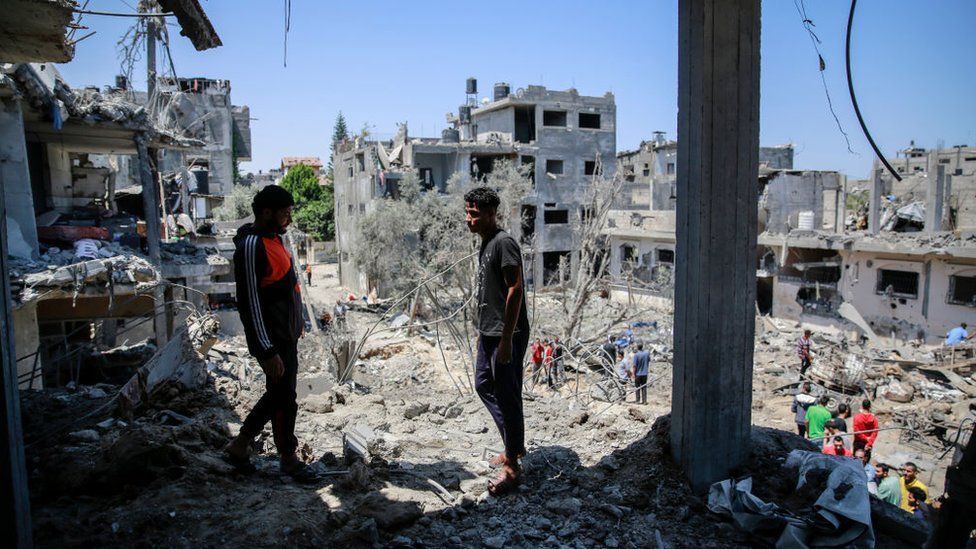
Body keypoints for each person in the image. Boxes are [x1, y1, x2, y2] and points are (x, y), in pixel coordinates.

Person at [224, 186, 313, 482]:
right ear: (266, 213)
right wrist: (266, 349)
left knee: (281, 396)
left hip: (284, 337)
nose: (288, 220)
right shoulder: (251, 246)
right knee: (283, 397)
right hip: (271, 341)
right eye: (284, 214)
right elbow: (249, 303)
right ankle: (285, 457)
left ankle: (241, 446)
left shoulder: (273, 239)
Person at [466, 187, 530, 496]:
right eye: (467, 212)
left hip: (507, 334)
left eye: (475, 214)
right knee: (482, 384)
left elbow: (515, 289)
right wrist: (485, 329)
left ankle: (513, 467)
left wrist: (506, 339)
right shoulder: (486, 243)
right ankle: (513, 445)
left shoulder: (504, 243)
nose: (469, 219)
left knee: (508, 395)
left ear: (492, 214)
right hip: (489, 332)